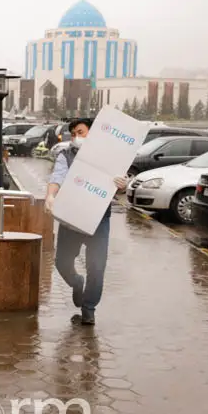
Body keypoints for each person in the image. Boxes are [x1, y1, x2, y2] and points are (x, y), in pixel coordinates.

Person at [44, 118, 128, 325]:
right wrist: (50, 195)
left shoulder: (109, 158)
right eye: (73, 134)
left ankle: (89, 309)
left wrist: (123, 186)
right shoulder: (66, 155)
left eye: (80, 132)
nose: (76, 137)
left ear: (93, 133)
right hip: (71, 217)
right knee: (62, 262)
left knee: (96, 266)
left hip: (98, 219)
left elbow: (119, 187)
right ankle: (76, 282)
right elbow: (57, 178)